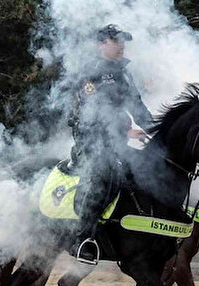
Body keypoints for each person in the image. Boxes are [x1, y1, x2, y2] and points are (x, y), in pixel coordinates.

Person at [68, 24, 152, 263]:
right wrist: (126, 130)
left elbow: (137, 106)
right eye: (116, 41)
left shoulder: (124, 73)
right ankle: (83, 238)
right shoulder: (90, 72)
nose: (122, 45)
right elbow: (94, 112)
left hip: (118, 141)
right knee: (106, 173)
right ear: (102, 44)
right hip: (91, 139)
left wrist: (158, 130)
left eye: (123, 41)